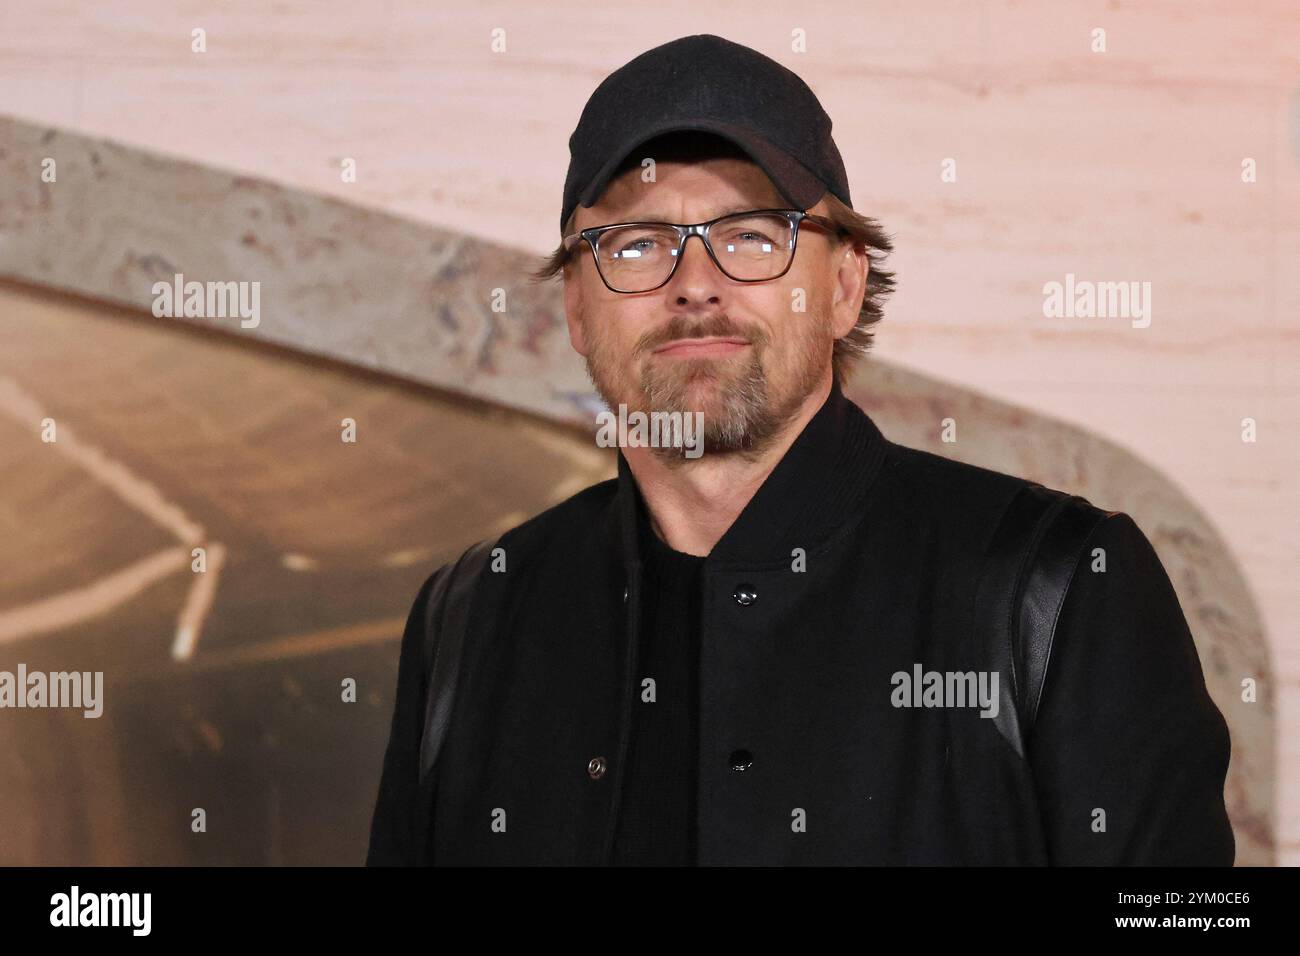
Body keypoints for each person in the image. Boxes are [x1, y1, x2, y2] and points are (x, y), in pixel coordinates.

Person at [366, 33, 1234, 866]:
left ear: (844, 285)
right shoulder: (471, 619)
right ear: (577, 309)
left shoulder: (1060, 590)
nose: (694, 285)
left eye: (752, 235)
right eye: (637, 244)